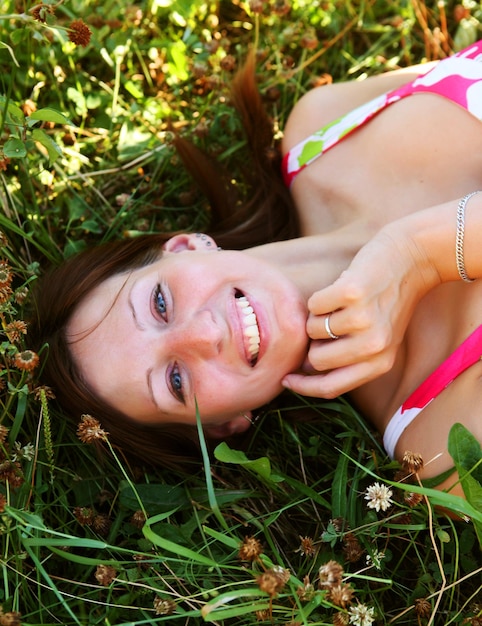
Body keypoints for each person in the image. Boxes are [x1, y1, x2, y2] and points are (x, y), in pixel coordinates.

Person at [31, 40, 482, 493]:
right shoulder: (444, 448)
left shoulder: (322, 129)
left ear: (187, 246)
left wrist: (413, 256)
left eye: (160, 303)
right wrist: (419, 256)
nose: (203, 334)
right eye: (175, 380)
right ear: (223, 425)